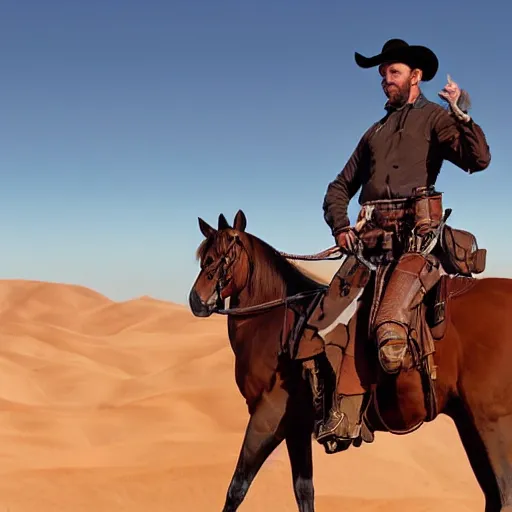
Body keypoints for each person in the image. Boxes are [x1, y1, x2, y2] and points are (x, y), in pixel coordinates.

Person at [297, 38, 491, 447]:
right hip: (367, 245)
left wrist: (463, 114)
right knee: (319, 326)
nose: (386, 79)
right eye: (384, 73)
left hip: (415, 243)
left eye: (394, 72)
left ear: (415, 77)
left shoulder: (437, 119)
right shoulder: (375, 131)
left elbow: (478, 160)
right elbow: (338, 186)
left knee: (389, 331)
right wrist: (341, 226)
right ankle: (344, 418)